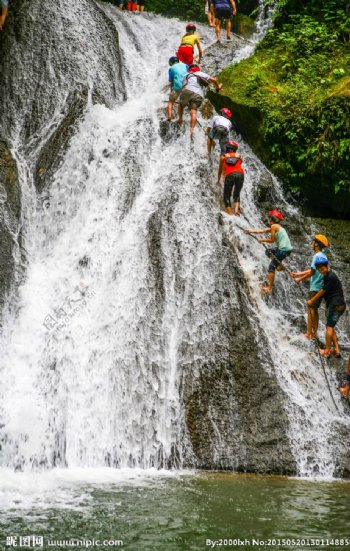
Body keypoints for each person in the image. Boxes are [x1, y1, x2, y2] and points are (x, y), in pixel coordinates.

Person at [244, 210, 293, 293]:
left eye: (269, 218)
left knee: (272, 266)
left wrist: (262, 240)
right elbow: (262, 231)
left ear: (271, 219)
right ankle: (280, 265)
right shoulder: (277, 226)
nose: (268, 219)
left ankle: (270, 288)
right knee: (268, 252)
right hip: (286, 249)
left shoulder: (274, 226)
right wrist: (250, 231)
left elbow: (272, 240)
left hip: (283, 249)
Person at [306, 256, 346, 357]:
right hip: (340, 304)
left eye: (322, 267)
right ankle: (336, 350)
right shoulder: (328, 276)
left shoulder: (330, 276)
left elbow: (322, 291)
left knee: (329, 327)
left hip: (335, 304)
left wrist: (312, 300)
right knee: (331, 327)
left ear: (327, 266)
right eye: (319, 269)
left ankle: (327, 350)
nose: (321, 270)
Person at [291, 234, 329, 340]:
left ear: (316, 244)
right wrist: (298, 274)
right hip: (322, 285)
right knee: (314, 309)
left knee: (311, 309)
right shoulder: (323, 256)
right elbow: (314, 269)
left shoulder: (316, 256)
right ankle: (314, 333)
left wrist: (300, 279)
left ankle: (309, 333)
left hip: (316, 286)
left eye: (313, 242)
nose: (312, 243)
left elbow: (312, 272)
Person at [177, 64, 223, 138]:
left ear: (189, 70)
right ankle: (192, 129)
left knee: (180, 104)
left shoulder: (186, 75)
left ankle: (180, 119)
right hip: (199, 94)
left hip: (187, 90)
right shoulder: (199, 73)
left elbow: (183, 86)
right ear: (197, 69)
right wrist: (218, 87)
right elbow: (213, 80)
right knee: (193, 111)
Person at [217, 140, 244, 216]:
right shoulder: (240, 156)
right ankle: (236, 212)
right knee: (237, 193)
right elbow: (238, 165)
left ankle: (230, 216)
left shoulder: (223, 157)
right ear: (235, 149)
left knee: (227, 196)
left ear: (227, 148)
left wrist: (219, 180)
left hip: (230, 175)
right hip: (241, 174)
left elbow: (220, 170)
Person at [166, 57, 188, 121]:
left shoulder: (171, 68)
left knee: (170, 102)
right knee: (181, 103)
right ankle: (180, 119)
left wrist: (171, 91)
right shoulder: (185, 65)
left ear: (171, 63)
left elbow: (171, 81)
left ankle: (169, 116)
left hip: (177, 87)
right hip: (187, 86)